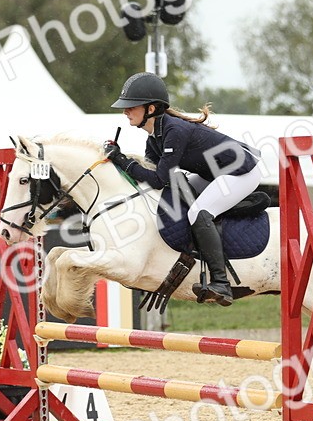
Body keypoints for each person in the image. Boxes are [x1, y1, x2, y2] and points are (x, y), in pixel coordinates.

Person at [103, 72, 261, 306]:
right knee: (178, 196)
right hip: (214, 173)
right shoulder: (154, 139)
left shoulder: (174, 131)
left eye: (131, 106)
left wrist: (123, 160)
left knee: (199, 213)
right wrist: (118, 161)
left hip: (241, 171)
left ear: (151, 109)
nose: (125, 111)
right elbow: (149, 179)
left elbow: (158, 179)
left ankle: (221, 283)